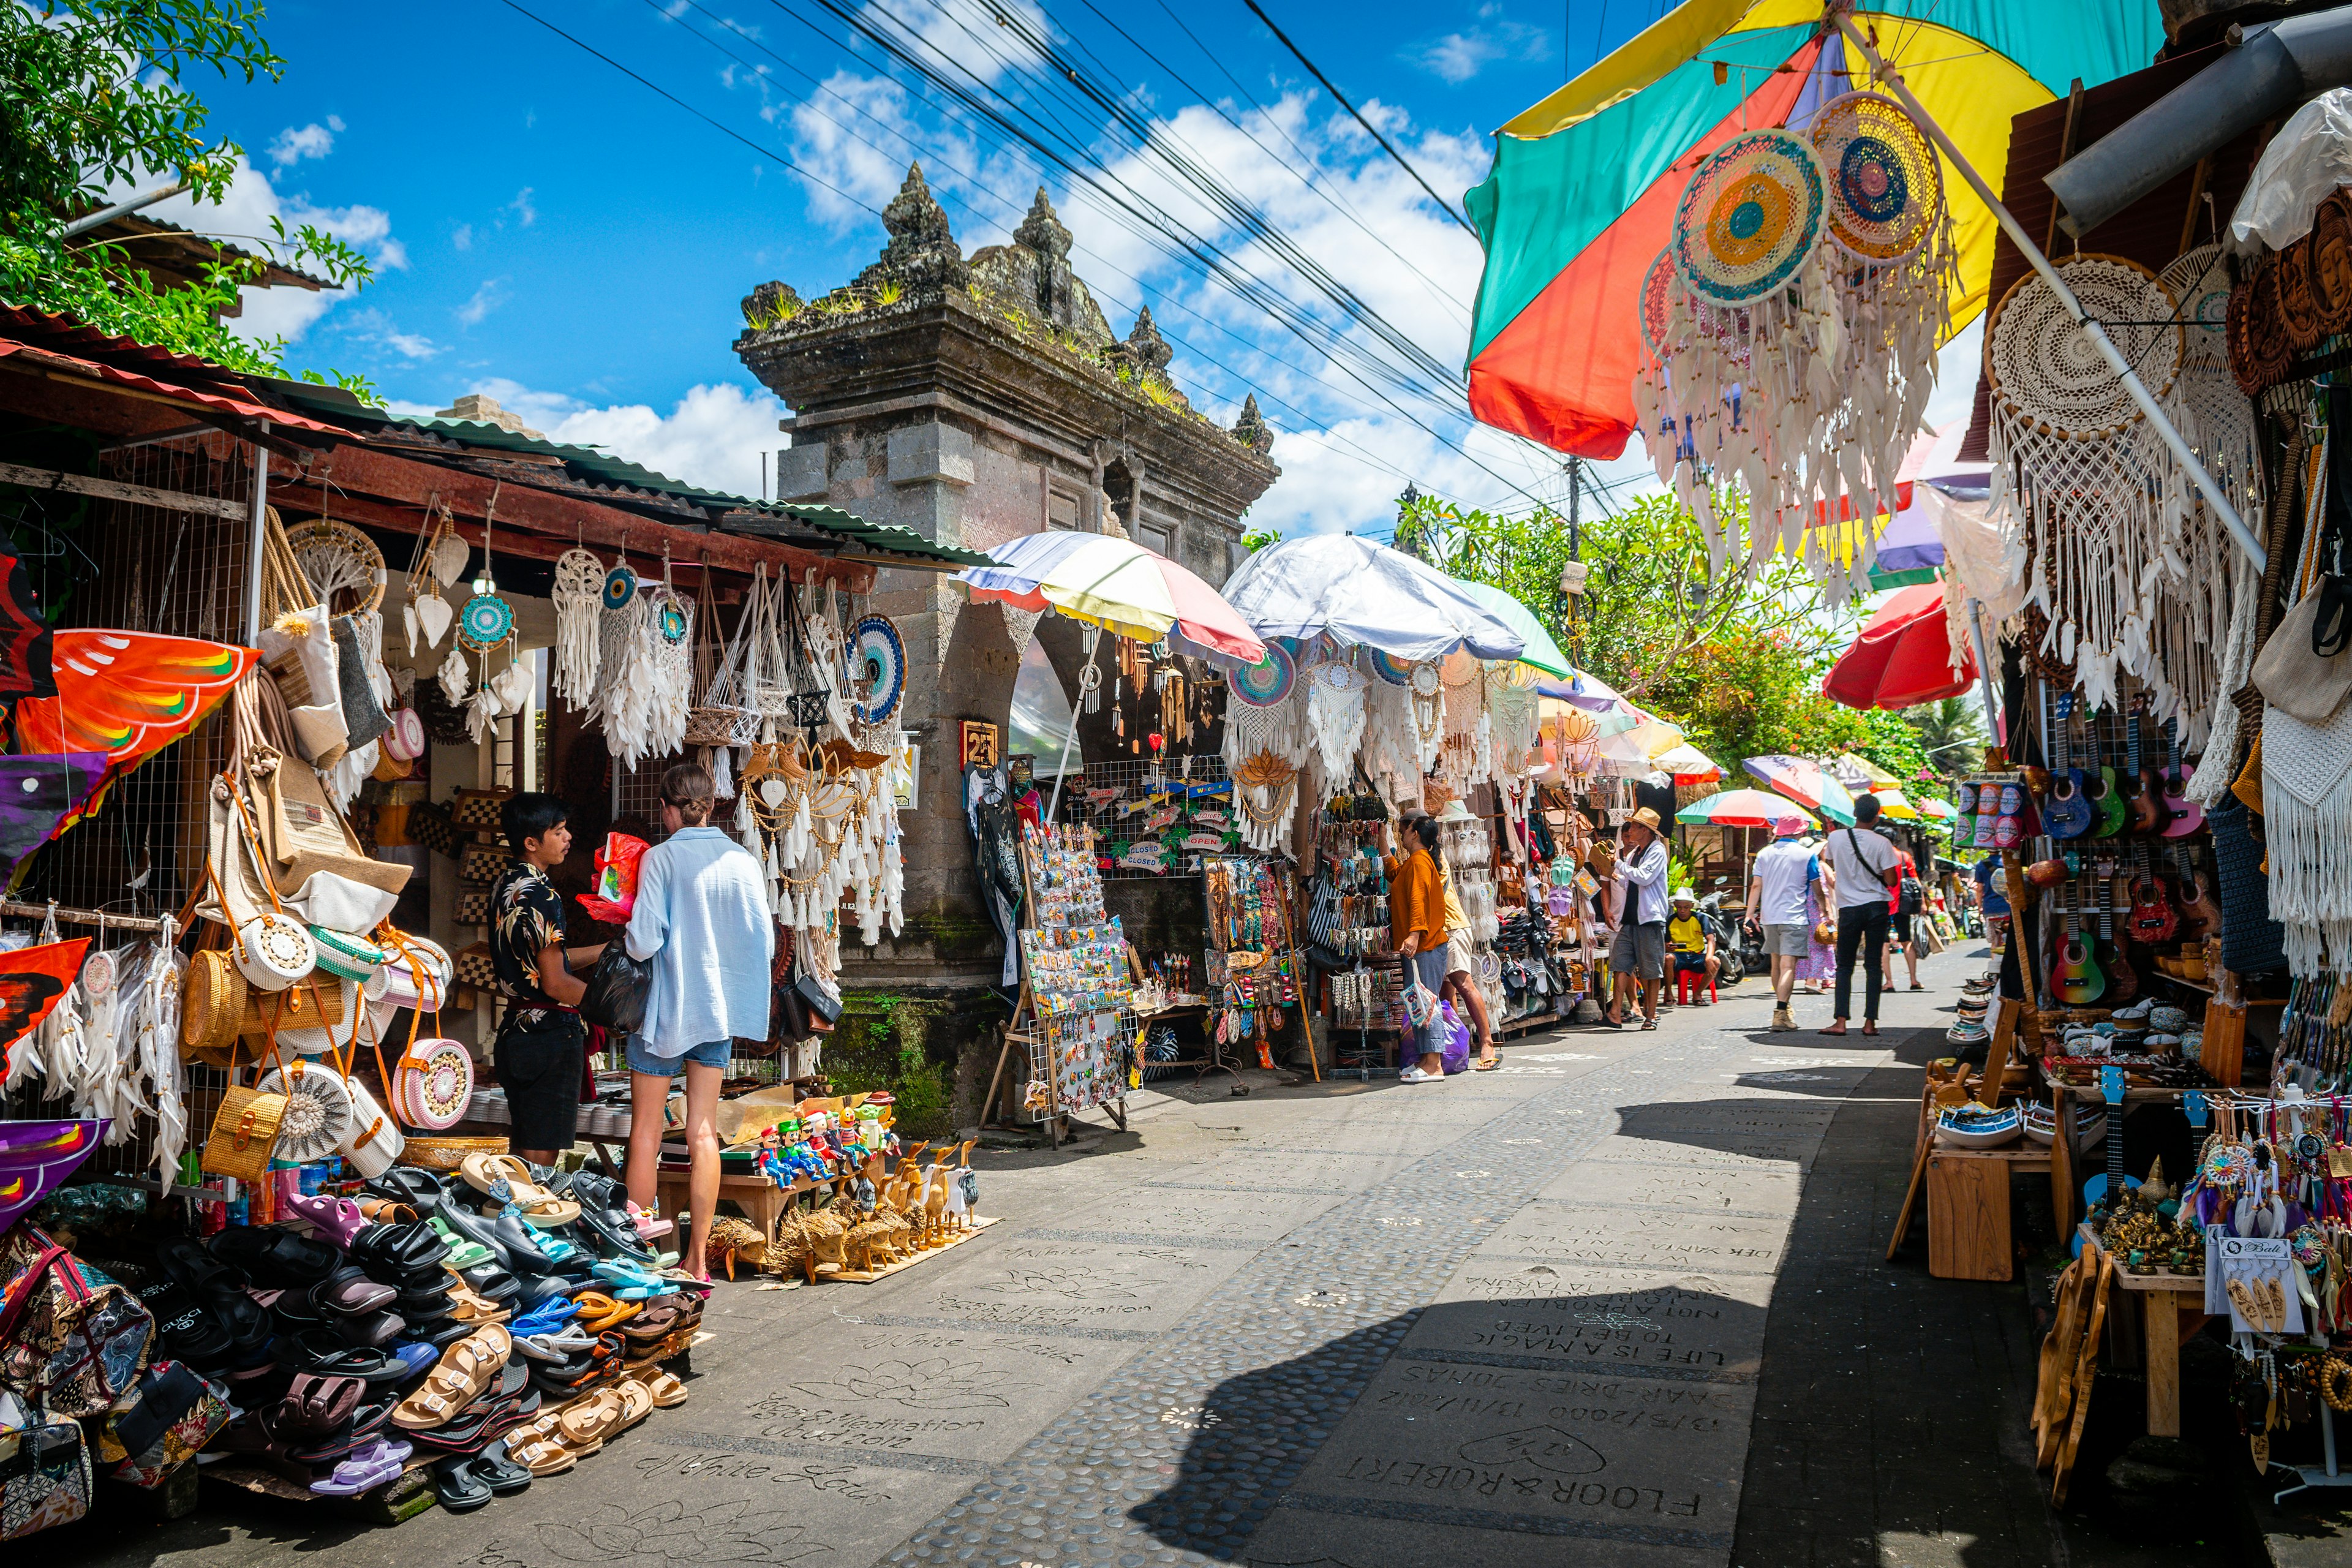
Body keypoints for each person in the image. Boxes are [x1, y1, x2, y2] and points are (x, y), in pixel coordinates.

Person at [622, 763, 774, 1280]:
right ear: (713, 805)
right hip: (716, 1012)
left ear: (667, 809)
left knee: (646, 1131)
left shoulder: (661, 859)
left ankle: (641, 1260)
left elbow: (644, 941)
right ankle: (697, 1258)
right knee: (703, 1133)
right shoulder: (743, 860)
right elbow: (764, 942)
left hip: (666, 1010)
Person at [488, 794, 606, 1167]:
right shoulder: (544, 895)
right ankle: (531, 1223)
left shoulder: (507, 885)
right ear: (531, 843)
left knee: (523, 1150)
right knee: (539, 1162)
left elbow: (538, 966)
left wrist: (603, 950)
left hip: (516, 1033)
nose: (568, 837)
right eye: (558, 831)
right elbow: (556, 985)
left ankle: (514, 1221)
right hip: (550, 1038)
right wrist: (612, 1008)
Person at [1821, 794, 1903, 1036]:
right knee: (1873, 965)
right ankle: (1870, 1023)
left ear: (1854, 814)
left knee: (1844, 965)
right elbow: (1891, 880)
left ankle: (1840, 1022)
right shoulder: (1882, 843)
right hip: (1877, 907)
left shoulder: (1835, 837)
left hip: (1849, 909)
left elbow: (1830, 861)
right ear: (1877, 816)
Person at [1388, 813, 1448, 1084]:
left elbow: (1418, 900)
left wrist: (1413, 935)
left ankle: (1435, 1064)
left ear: (1414, 834)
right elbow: (1395, 874)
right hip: (1419, 947)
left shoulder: (1421, 863)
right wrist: (1382, 842)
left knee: (1428, 1002)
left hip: (1425, 945)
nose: (1402, 834)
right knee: (1418, 1002)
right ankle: (1426, 1059)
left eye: (1405, 830)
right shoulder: (1414, 863)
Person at [1743, 820, 1818, 1031]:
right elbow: (1816, 888)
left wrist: (1750, 913)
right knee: (1788, 967)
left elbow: (1757, 885)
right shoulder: (1806, 855)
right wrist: (1826, 910)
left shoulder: (1764, 853)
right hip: (1794, 918)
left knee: (1776, 965)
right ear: (1800, 831)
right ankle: (1781, 1012)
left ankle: (1784, 1009)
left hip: (1769, 917)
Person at [1607, 807, 1670, 1030]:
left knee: (1651, 970)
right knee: (1620, 963)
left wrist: (1617, 864)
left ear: (1645, 830)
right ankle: (1615, 1012)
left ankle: (1651, 1016)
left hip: (1649, 918)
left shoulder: (1657, 851)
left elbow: (1644, 878)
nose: (1630, 830)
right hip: (1631, 918)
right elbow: (1629, 883)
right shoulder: (1635, 854)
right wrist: (1617, 874)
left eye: (1634, 826)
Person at [1884, 837, 1924, 991]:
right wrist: (1923, 903)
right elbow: (1916, 882)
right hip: (1903, 904)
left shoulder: (1876, 855)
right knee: (1906, 941)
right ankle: (1914, 980)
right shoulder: (1904, 856)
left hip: (1882, 904)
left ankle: (1889, 982)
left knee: (1884, 944)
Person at [1665, 889, 1718, 1003]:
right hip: (1678, 956)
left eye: (1686, 907)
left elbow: (1711, 939)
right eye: (1679, 907)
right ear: (1675, 906)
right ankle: (1669, 994)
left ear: (1692, 906)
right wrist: (1668, 947)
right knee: (1668, 958)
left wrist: (1709, 958)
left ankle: (1698, 994)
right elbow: (1665, 942)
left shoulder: (1701, 918)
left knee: (1716, 961)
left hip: (1697, 956)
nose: (1683, 911)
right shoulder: (1671, 919)